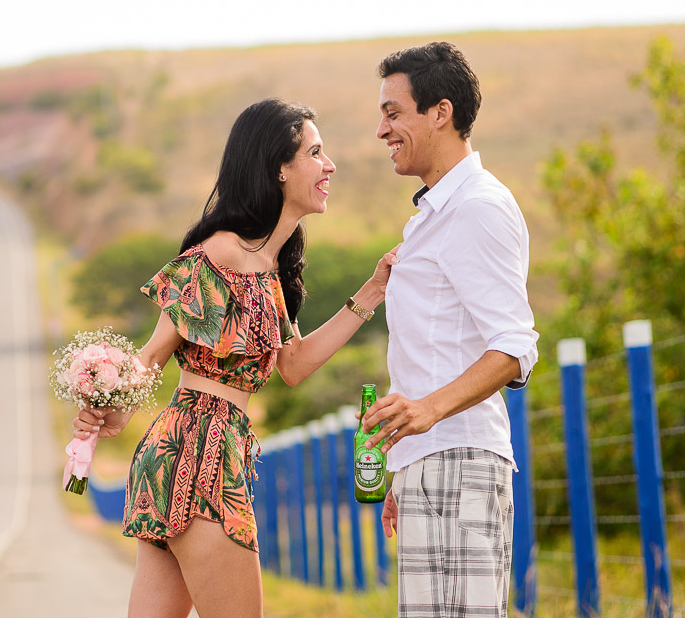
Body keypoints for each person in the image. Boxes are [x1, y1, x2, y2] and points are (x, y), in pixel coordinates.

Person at [72, 97, 399, 618]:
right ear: (279, 168)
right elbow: (155, 352)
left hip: (201, 451)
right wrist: (115, 408)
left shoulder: (273, 268)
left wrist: (374, 290)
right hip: (198, 454)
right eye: (315, 153)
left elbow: (294, 365)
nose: (330, 165)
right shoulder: (221, 251)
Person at [359, 42, 539, 618]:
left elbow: (515, 346)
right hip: (432, 465)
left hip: (461, 464)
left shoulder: (477, 207)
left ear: (441, 112)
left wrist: (428, 412)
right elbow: (434, 350)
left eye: (393, 113)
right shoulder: (432, 217)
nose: (382, 130)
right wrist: (406, 466)